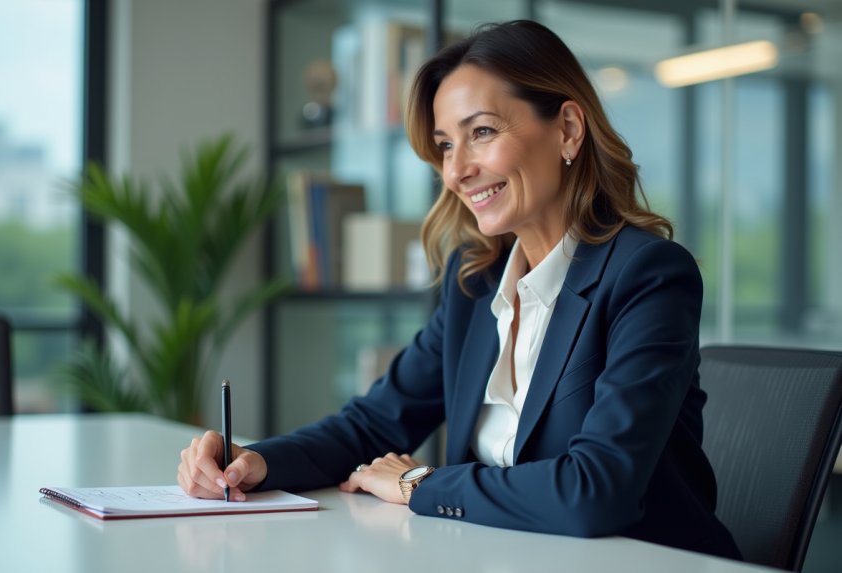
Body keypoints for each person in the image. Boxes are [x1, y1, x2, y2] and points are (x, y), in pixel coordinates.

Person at [178, 20, 742, 560]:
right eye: (447, 145)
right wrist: (252, 461)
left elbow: (595, 490)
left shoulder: (648, 275)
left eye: (482, 132)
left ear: (568, 130)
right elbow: (374, 423)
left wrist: (420, 483)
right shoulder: (476, 282)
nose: (456, 171)